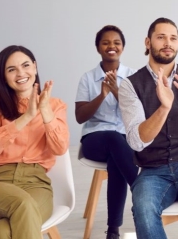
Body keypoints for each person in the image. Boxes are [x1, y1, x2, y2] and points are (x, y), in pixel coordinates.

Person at [0, 45, 69, 239]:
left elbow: (60, 147)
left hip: (36, 184)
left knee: (6, 230)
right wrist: (27, 117)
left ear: (35, 67)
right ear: (3, 76)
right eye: (11, 69)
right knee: (23, 204)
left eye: (25, 65)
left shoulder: (56, 105)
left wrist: (44, 111)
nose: (20, 73)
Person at [75, 25, 139, 239]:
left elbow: (138, 113)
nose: (111, 46)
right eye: (106, 42)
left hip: (123, 142)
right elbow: (80, 117)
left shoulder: (133, 76)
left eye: (116, 42)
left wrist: (116, 91)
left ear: (122, 47)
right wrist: (102, 95)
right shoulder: (87, 78)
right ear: (98, 48)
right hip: (95, 140)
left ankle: (113, 231)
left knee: (117, 159)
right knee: (113, 140)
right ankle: (140, 190)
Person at [119, 17, 178, 239]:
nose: (167, 43)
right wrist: (164, 107)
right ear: (148, 42)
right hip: (154, 171)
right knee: (143, 208)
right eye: (161, 37)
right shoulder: (130, 85)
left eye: (173, 38)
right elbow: (136, 141)